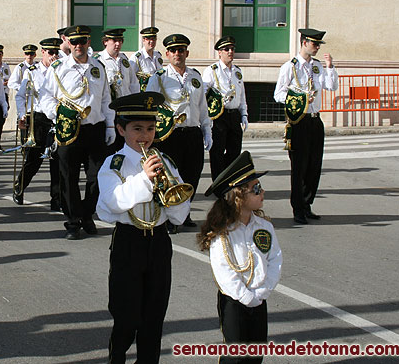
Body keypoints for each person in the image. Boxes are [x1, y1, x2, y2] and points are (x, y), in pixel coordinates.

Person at [97, 91, 190, 363]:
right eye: (137, 128)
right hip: (129, 242)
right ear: (121, 129)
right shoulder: (114, 163)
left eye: (150, 128)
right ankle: (117, 356)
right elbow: (110, 205)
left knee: (154, 317)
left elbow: (178, 214)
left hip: (159, 242)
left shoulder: (166, 161)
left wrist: (172, 198)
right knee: (126, 316)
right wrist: (146, 181)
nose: (145, 135)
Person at [199, 151, 282, 363]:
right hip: (234, 300)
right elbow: (223, 271)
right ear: (238, 195)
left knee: (256, 354)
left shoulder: (264, 227)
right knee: (235, 355)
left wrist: (263, 290)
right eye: (255, 189)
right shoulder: (223, 232)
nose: (262, 192)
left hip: (259, 297)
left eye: (260, 187)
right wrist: (245, 296)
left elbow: (275, 259)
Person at [42, 25, 114, 239]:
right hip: (68, 129)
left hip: (95, 129)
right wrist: (58, 115)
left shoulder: (98, 67)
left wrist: (110, 126)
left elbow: (105, 99)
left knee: (98, 175)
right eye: (74, 42)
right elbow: (46, 96)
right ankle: (73, 221)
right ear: (68, 43)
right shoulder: (58, 68)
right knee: (68, 177)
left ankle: (86, 214)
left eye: (82, 41)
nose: (79, 46)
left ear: (88, 42)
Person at [145, 33, 212, 232]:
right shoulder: (159, 78)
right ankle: (168, 216)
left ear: (186, 53)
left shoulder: (195, 77)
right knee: (169, 175)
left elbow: (202, 107)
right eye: (173, 51)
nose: (177, 54)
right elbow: (150, 107)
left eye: (181, 50)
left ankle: (184, 213)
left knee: (192, 173)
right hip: (169, 135)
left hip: (192, 132)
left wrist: (207, 130)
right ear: (167, 53)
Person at [273, 28, 338, 225]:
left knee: (314, 166)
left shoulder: (317, 66)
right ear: (304, 43)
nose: (317, 47)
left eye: (318, 44)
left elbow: (331, 86)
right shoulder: (290, 67)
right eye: (314, 43)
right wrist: (298, 99)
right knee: (299, 166)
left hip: (315, 120)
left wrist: (329, 67)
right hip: (299, 121)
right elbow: (278, 94)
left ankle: (307, 204)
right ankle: (298, 208)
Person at [12, 38, 61, 211]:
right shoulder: (32, 71)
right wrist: (21, 114)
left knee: (57, 160)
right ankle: (19, 186)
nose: (54, 56)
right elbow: (20, 95)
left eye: (56, 52)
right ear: (43, 53)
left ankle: (56, 199)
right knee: (34, 159)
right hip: (39, 118)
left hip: (57, 117)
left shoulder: (62, 69)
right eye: (50, 53)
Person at [202, 36, 249, 180]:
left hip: (233, 115)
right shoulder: (212, 70)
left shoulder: (237, 71)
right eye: (226, 49)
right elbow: (203, 94)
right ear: (219, 52)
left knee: (234, 152)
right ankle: (218, 183)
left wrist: (244, 114)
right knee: (217, 152)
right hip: (219, 116)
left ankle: (230, 180)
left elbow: (242, 95)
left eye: (232, 49)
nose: (230, 52)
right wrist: (206, 117)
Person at [129, 27, 164, 92]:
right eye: (149, 39)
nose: (152, 42)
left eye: (154, 39)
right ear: (144, 40)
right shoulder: (137, 57)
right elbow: (130, 77)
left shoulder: (158, 55)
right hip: (143, 93)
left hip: (157, 91)